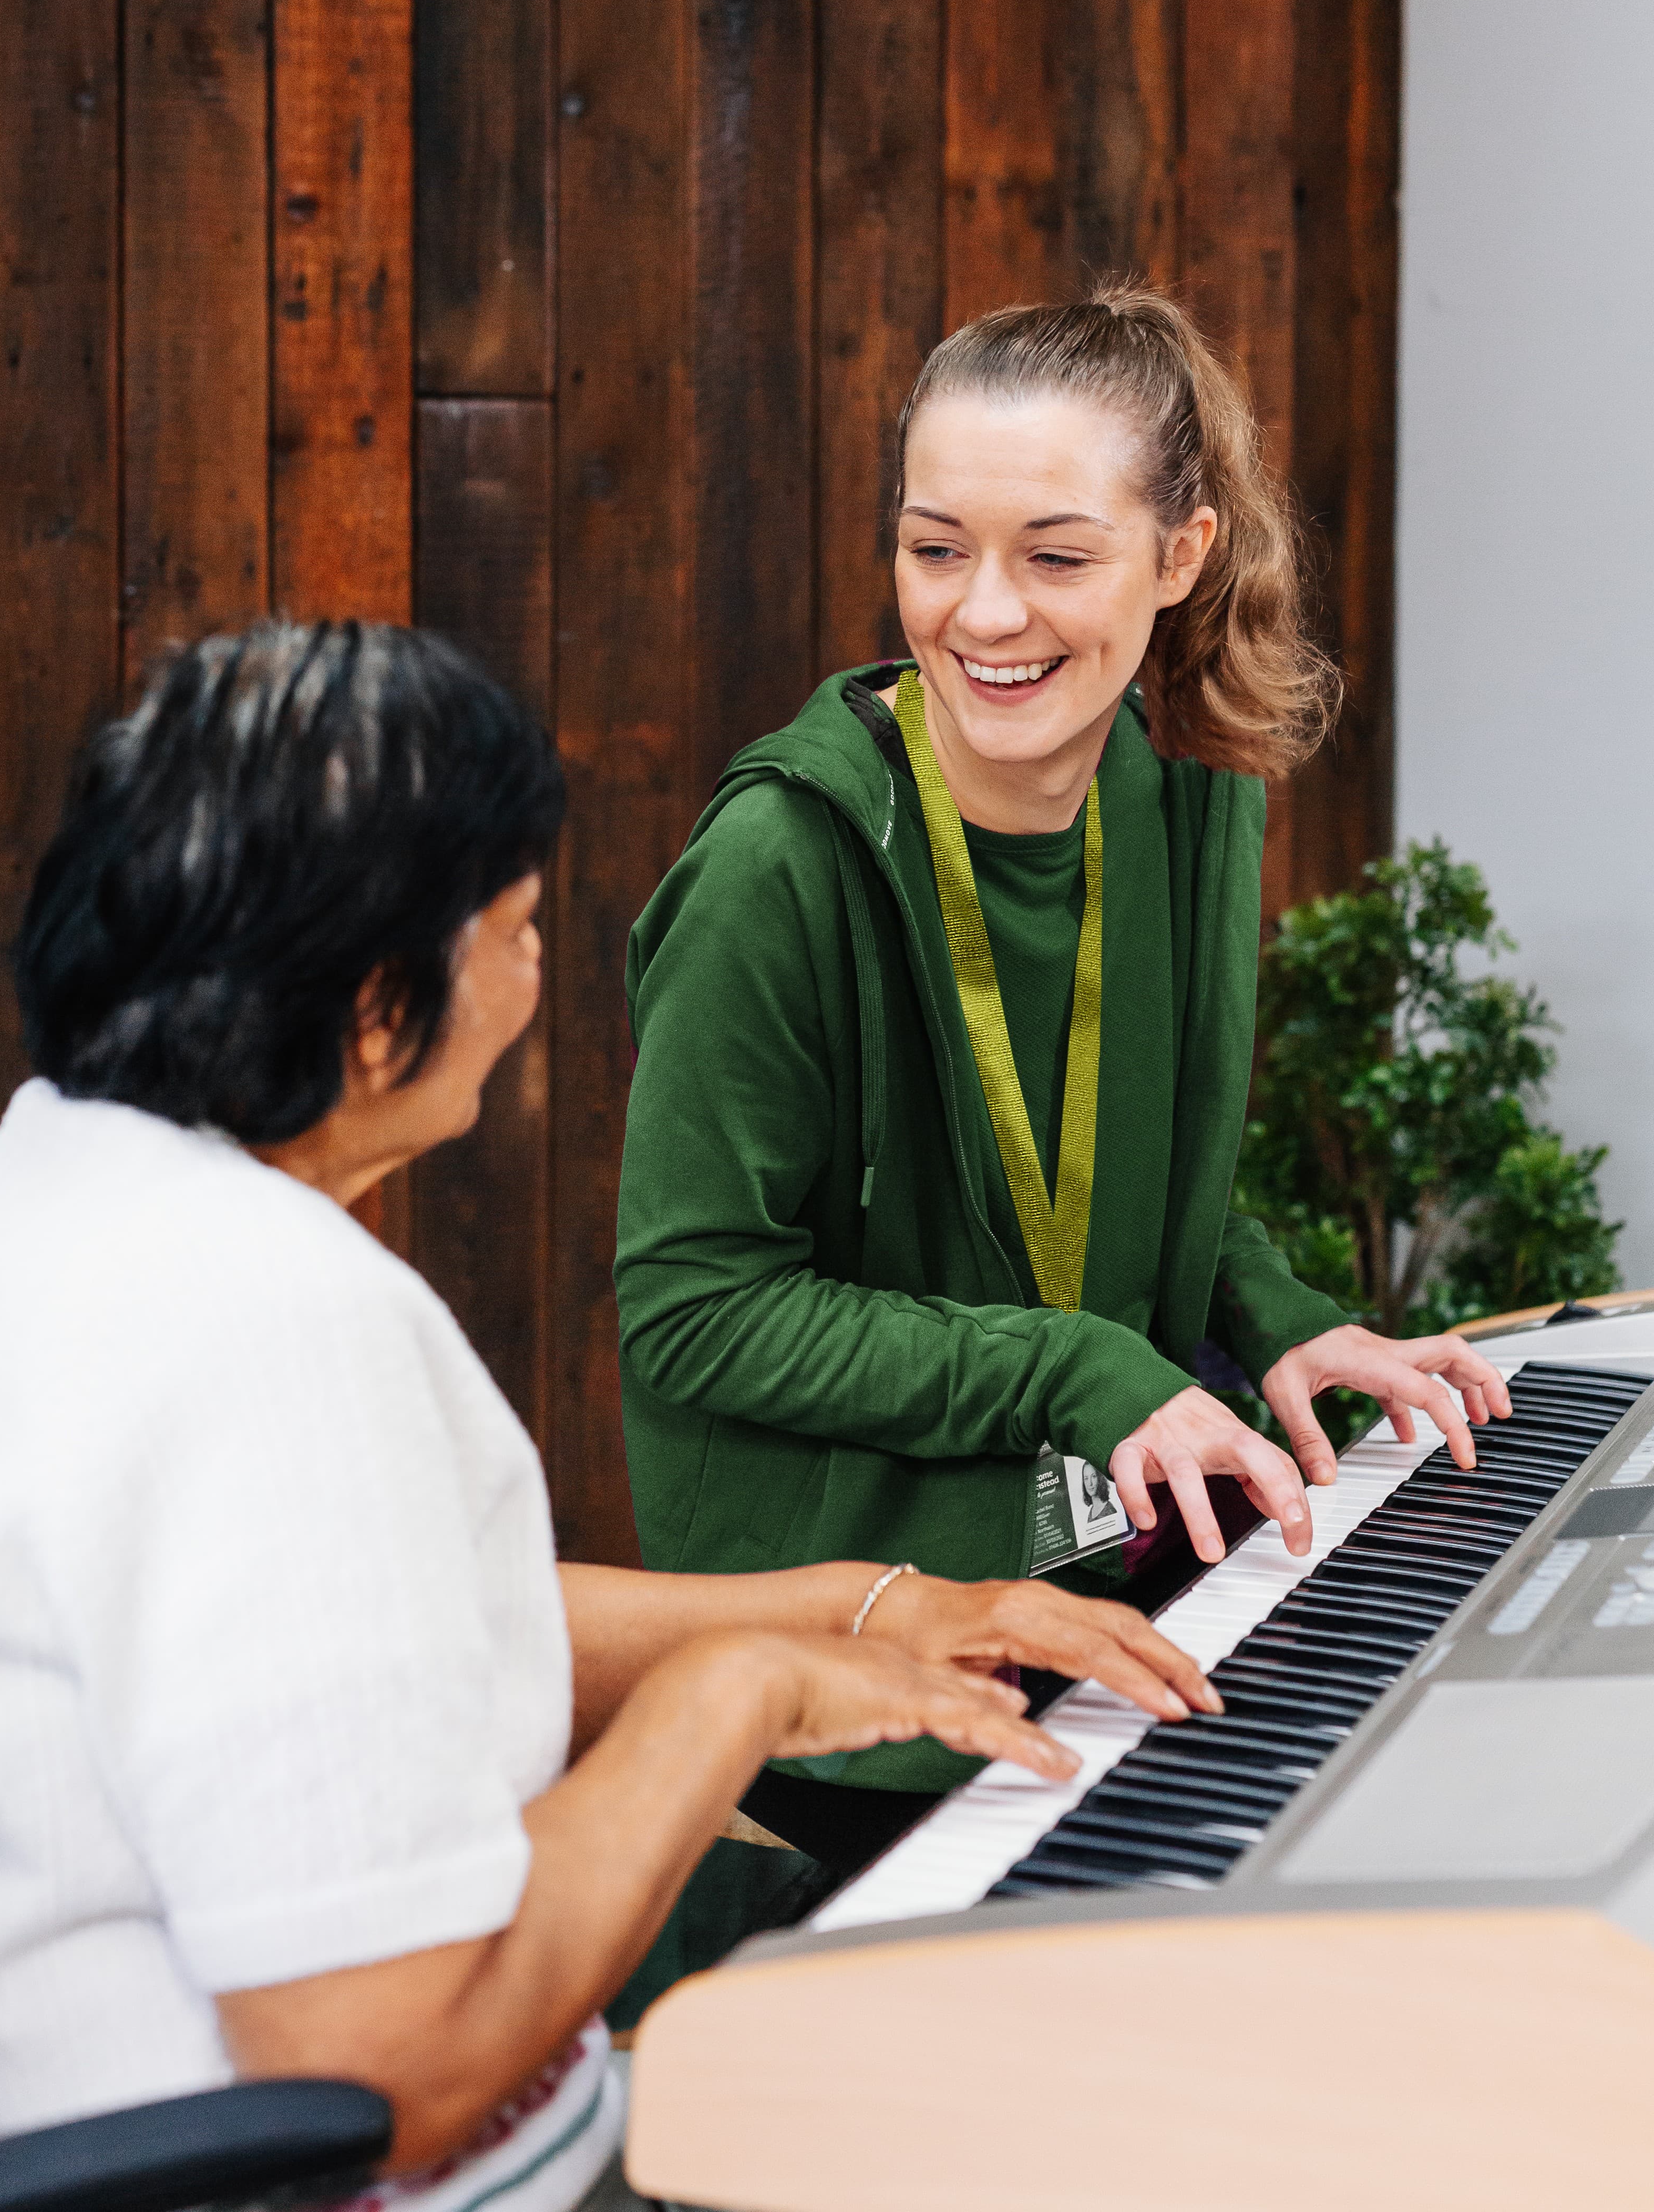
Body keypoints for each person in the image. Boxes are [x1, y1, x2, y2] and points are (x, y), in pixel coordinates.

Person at [0, 621, 1216, 2212]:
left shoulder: (13, 1196)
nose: (537, 971)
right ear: (374, 1014)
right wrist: (738, 1701)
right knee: (1073, 2113)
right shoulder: (279, 1321)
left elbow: (347, 1646)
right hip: (234, 2169)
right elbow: (386, 2076)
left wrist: (872, 1610)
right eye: (511, 929)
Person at [614, 290, 1512, 1861]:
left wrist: (1282, 1319)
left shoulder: (1173, 808)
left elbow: (1132, 1174)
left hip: (1103, 1590)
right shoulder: (778, 863)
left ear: (1181, 559)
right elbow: (694, 1315)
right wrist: (1081, 1368)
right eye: (935, 546)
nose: (984, 613)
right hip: (872, 1687)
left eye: (1056, 554)